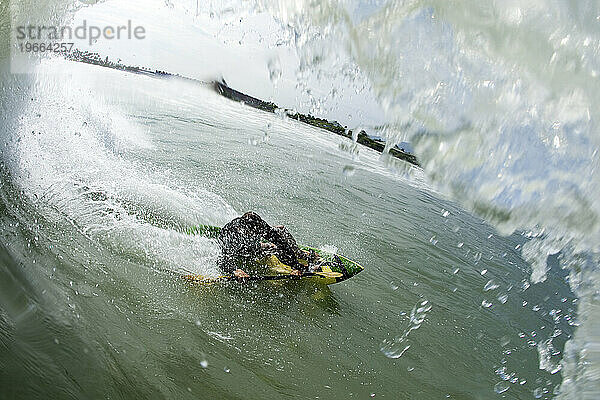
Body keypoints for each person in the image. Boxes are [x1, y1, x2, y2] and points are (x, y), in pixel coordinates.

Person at [217, 212, 318, 278]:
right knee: (274, 249)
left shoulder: (260, 225)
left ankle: (299, 253)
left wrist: (295, 265)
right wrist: (235, 270)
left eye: (258, 231)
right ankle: (270, 248)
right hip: (238, 250)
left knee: (280, 229)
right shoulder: (232, 233)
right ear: (243, 229)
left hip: (252, 245)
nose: (257, 233)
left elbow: (281, 243)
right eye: (253, 232)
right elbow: (222, 258)